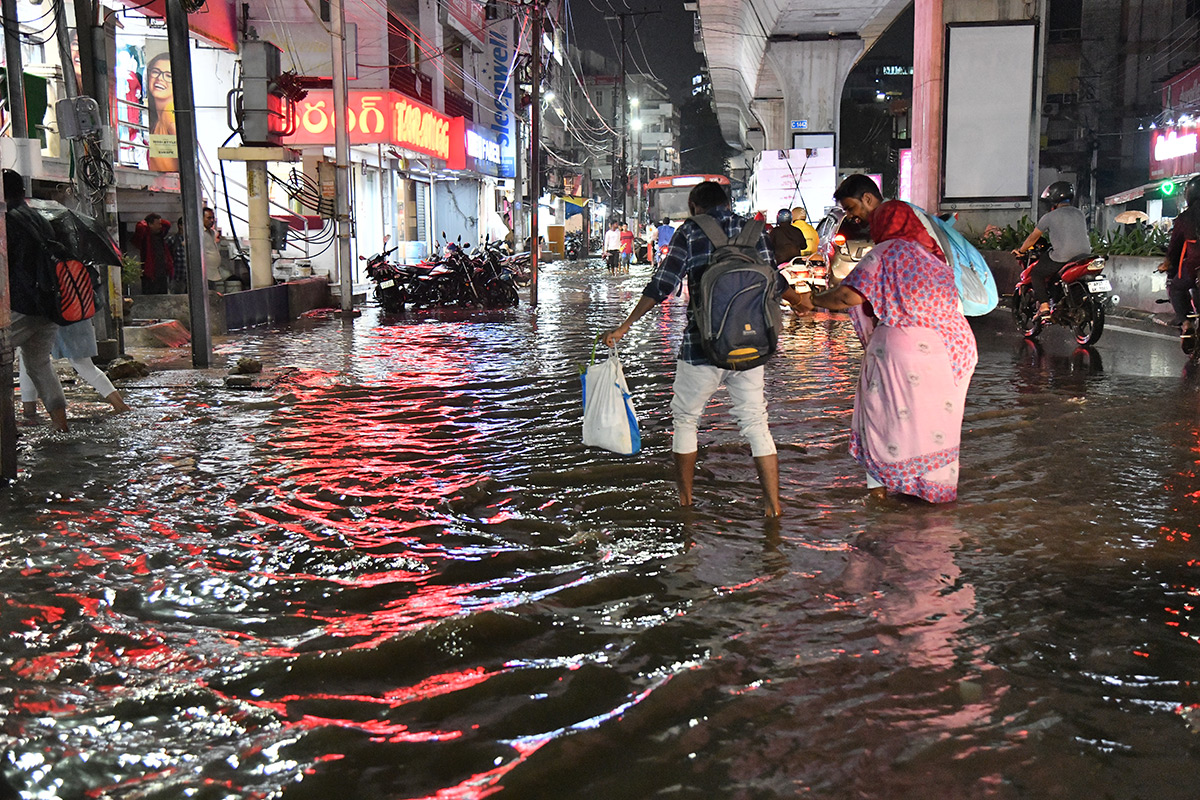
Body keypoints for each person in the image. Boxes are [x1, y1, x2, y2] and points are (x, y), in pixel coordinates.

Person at [601, 180, 810, 517]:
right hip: (751, 346)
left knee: (686, 421)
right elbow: (773, 280)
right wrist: (799, 301)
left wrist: (626, 325)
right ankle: (773, 507)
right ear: (728, 202)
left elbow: (662, 285)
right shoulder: (754, 230)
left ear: (695, 207)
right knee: (756, 424)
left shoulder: (691, 231)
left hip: (702, 347)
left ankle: (686, 503)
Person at [797, 201, 978, 504]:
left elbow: (846, 296)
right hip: (952, 350)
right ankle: (933, 496)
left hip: (904, 349)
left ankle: (880, 500)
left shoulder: (885, 253)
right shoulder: (935, 258)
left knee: (881, 421)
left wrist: (812, 300)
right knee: (933, 426)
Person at [3, 169, 69, 432]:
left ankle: (7, 430)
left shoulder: (8, 220)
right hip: (49, 305)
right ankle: (60, 425)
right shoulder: (39, 218)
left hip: (22, 306)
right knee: (39, 364)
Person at [1012, 181, 1092, 319]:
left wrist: (1022, 250)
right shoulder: (1079, 213)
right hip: (1084, 255)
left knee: (1037, 273)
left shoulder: (1049, 217)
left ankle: (1044, 306)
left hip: (1063, 256)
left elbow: (1033, 237)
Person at [19, 319, 130, 416]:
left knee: (28, 357)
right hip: (72, 311)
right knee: (83, 364)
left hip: (48, 312)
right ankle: (119, 405)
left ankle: (29, 411)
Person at [1158, 175, 1200, 334]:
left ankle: (1186, 322)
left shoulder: (1185, 218)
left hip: (1194, 267)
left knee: (1175, 287)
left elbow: (1174, 247)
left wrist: (1167, 263)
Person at [145, 52, 178, 172]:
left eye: (168, 76)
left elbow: (185, 147)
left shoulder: (169, 111)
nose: (160, 79)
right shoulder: (159, 117)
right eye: (155, 72)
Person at [133, 212, 174, 294]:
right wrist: (146, 222)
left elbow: (168, 224)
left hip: (162, 274)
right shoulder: (145, 236)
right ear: (150, 225)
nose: (160, 226)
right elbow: (140, 226)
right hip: (150, 275)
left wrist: (158, 220)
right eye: (158, 224)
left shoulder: (160, 235)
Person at [202, 207, 231, 289]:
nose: (212, 220)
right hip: (204, 274)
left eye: (212, 218)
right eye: (209, 218)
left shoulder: (211, 232)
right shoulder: (199, 233)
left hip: (212, 273)